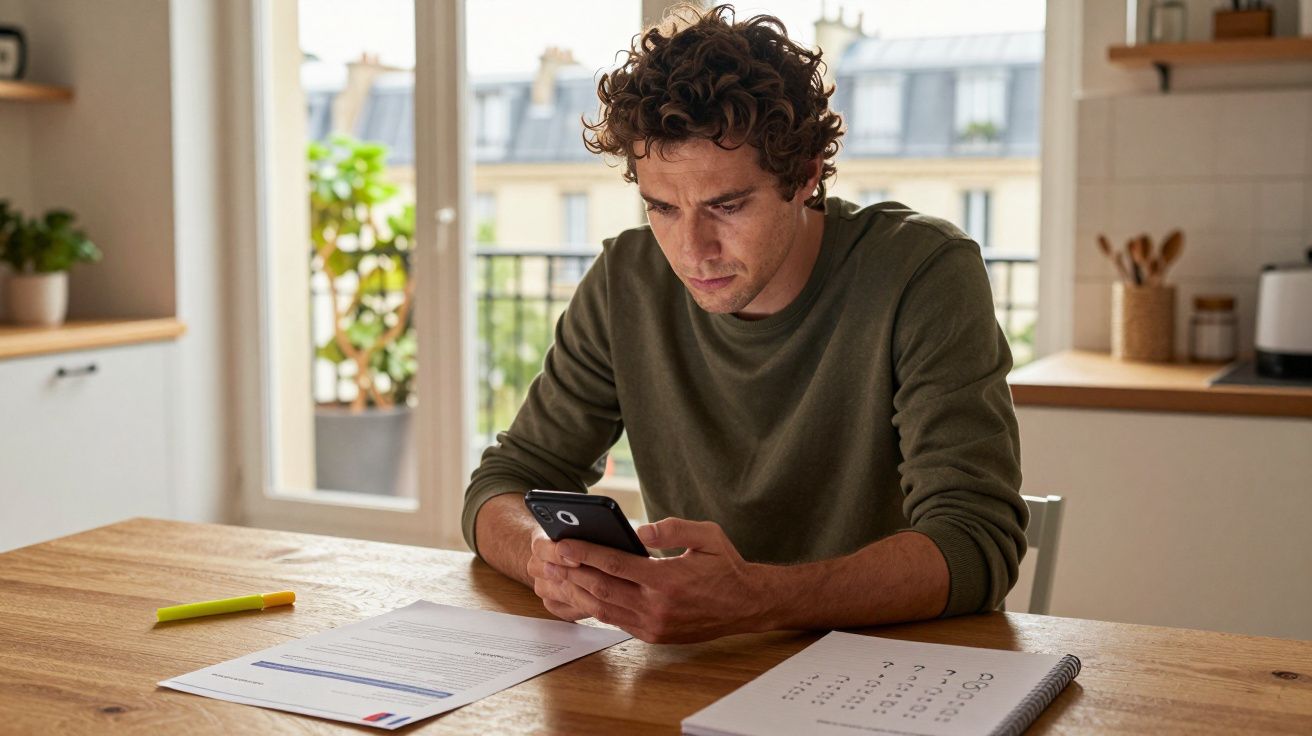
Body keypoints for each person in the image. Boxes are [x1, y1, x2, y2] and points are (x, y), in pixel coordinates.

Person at [461, 4, 1026, 644]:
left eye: (727, 206)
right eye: (662, 208)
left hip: (889, 664)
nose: (691, 251)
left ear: (805, 175)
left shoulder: (922, 273)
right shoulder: (627, 279)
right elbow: (504, 484)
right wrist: (543, 558)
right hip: (694, 666)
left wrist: (757, 600)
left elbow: (975, 540)